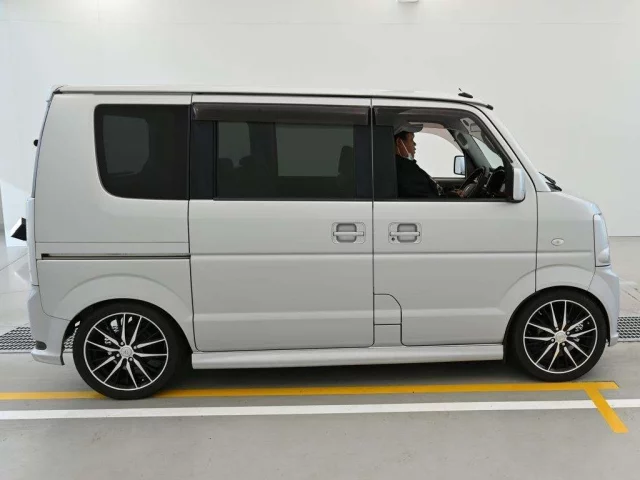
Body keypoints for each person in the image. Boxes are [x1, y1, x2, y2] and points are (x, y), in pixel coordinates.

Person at [394, 126, 443, 198]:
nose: (414, 144)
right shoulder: (407, 171)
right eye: (411, 139)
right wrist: (452, 197)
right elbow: (430, 199)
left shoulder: (403, 166)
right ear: (399, 142)